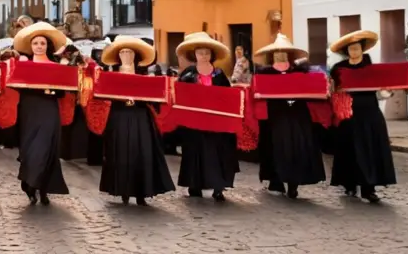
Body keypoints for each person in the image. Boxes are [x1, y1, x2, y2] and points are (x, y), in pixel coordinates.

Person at [98, 36, 175, 205]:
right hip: (119, 116)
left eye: (130, 52)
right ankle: (123, 189)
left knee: (142, 152)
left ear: (136, 55)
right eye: (123, 52)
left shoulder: (146, 76)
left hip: (140, 116)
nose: (126, 55)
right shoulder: (111, 75)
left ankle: (142, 191)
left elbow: (156, 98)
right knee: (121, 152)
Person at [254, 34, 325, 199]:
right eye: (277, 53)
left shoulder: (300, 72)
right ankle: (276, 179)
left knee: (297, 148)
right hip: (275, 118)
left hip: (298, 117)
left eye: (284, 52)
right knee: (276, 148)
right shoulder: (266, 73)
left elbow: (312, 91)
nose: (280, 55)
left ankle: (294, 183)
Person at [329, 30, 396, 203]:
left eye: (357, 49)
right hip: (348, 115)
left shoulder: (371, 69)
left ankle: (369, 188)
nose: (354, 52)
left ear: (362, 50)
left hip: (369, 114)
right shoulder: (339, 70)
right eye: (351, 49)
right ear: (347, 51)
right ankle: (349, 184)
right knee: (349, 150)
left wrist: (388, 91)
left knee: (369, 150)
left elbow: (381, 92)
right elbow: (333, 90)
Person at [12, 22, 72, 205]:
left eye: (42, 43)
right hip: (30, 110)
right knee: (31, 149)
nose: (39, 46)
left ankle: (44, 188)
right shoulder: (24, 64)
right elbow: (18, 88)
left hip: (49, 109)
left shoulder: (56, 65)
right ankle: (30, 184)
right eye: (36, 43)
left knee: (48, 148)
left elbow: (62, 91)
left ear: (47, 46)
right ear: (31, 46)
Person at [175, 32, 239, 202]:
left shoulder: (219, 74)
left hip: (217, 124)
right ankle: (194, 184)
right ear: (194, 55)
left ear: (212, 55)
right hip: (194, 124)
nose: (204, 56)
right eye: (200, 52)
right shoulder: (187, 74)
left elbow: (228, 96)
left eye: (207, 53)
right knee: (195, 152)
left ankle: (218, 187)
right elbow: (179, 95)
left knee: (217, 153)